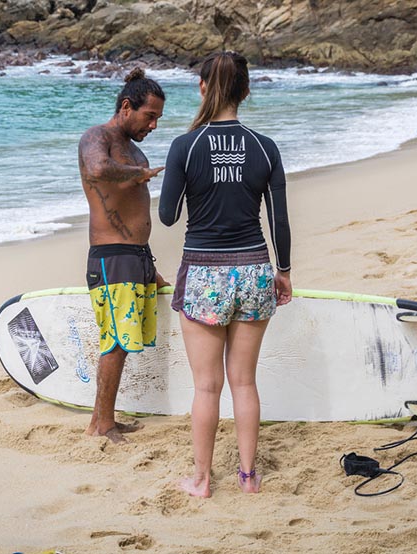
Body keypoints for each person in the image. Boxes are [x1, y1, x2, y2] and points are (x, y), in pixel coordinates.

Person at [158, 51, 292, 496]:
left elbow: (168, 216)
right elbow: (279, 222)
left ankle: (201, 480)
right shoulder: (264, 146)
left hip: (203, 274)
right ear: (246, 91)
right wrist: (284, 272)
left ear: (201, 87)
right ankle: (249, 478)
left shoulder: (185, 145)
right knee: (244, 382)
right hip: (255, 270)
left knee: (207, 387)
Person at [79, 68, 170, 444]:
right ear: (127, 106)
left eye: (158, 119)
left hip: (137, 257)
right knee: (114, 341)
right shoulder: (97, 137)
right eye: (150, 116)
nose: (153, 125)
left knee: (126, 340)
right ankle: (100, 424)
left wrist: (152, 269)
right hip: (110, 256)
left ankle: (109, 418)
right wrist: (134, 175)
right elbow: (97, 168)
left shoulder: (135, 149)